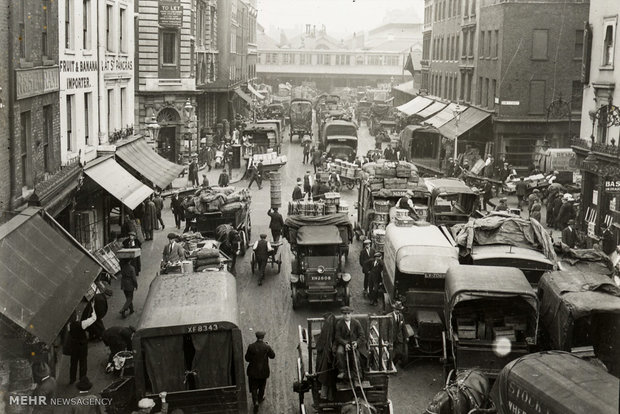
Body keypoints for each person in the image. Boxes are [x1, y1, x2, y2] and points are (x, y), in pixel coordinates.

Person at [245, 331, 275, 413]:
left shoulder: (251, 346)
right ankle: (260, 398)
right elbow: (272, 356)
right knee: (262, 386)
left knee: (254, 387)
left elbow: (247, 359)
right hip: (263, 371)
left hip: (253, 371)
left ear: (256, 337)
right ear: (263, 337)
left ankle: (256, 402)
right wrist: (268, 346)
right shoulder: (266, 347)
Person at [66, 306, 97, 384]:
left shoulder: (68, 326)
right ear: (76, 317)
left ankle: (72, 379)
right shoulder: (82, 324)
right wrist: (93, 309)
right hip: (82, 346)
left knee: (73, 362)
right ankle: (82, 378)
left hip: (74, 346)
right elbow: (94, 318)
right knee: (83, 361)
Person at [334, 306, 366, 380]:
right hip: (343, 343)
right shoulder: (339, 324)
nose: (347, 316)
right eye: (345, 314)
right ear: (342, 315)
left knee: (356, 356)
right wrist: (345, 343)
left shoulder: (356, 323)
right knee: (339, 352)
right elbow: (337, 337)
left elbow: (362, 335)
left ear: (351, 314)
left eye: (348, 313)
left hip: (354, 343)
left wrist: (357, 343)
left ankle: (357, 375)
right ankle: (342, 371)